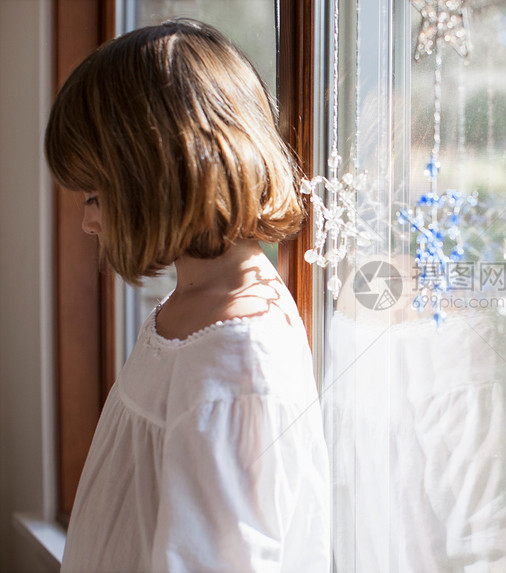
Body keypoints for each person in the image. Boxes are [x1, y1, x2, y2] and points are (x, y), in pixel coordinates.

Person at [45, 19, 330, 572]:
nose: (86, 222)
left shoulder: (236, 359)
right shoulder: (196, 310)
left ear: (158, 183)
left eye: (95, 196)